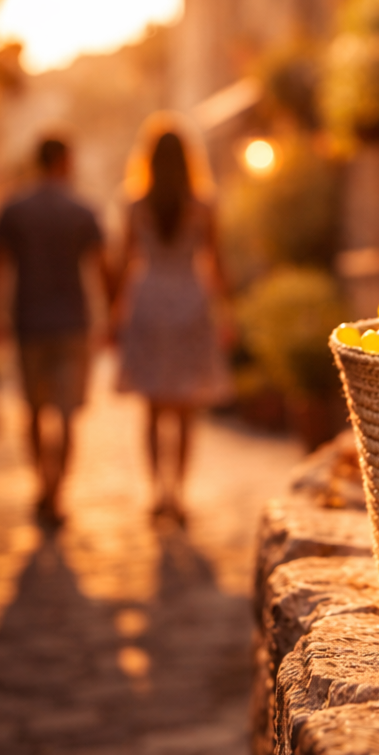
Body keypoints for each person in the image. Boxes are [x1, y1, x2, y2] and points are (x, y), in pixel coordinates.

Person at [0, 138, 109, 528]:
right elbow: (103, 268)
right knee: (68, 414)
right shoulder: (81, 210)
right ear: (65, 161)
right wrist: (112, 316)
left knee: (34, 412)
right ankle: (56, 492)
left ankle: (43, 484)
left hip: (28, 321)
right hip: (73, 323)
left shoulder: (14, 208)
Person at [112, 127, 229, 524]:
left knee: (152, 406)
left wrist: (115, 312)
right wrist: (226, 311)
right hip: (189, 303)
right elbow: (215, 262)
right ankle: (178, 494)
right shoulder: (203, 204)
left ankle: (156, 493)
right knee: (184, 409)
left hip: (147, 304)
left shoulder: (134, 204)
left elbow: (124, 262)